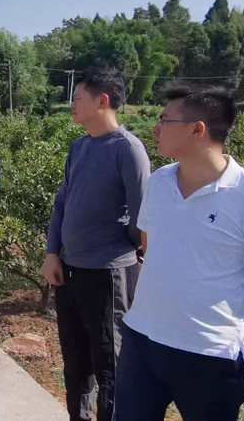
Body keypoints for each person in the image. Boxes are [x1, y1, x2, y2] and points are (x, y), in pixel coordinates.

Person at [116, 85, 244, 420]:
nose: (155, 127)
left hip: (209, 352)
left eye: (165, 120)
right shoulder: (160, 182)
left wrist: (220, 314)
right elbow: (151, 248)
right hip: (142, 340)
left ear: (198, 130)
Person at [40, 69, 151, 421]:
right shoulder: (79, 147)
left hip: (107, 274)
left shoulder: (128, 150)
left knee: (110, 363)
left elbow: (141, 218)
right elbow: (62, 203)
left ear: (102, 101)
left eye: (77, 98)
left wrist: (126, 254)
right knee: (75, 360)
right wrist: (52, 252)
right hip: (69, 270)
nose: (71, 105)